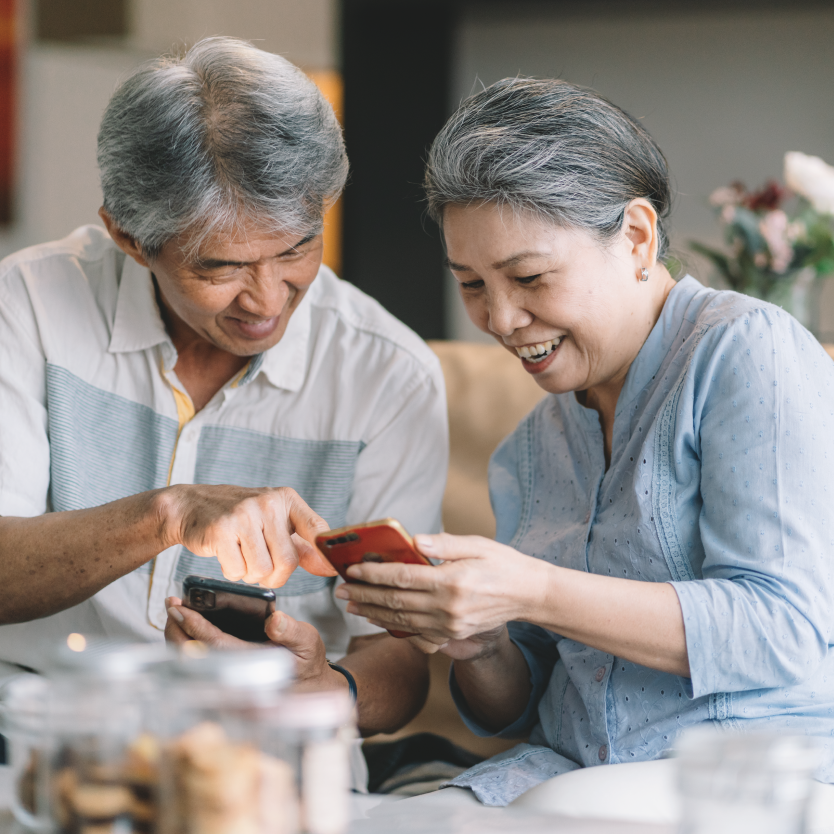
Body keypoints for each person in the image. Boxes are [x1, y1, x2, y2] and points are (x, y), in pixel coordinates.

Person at [335, 77, 834, 805]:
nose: (501, 318)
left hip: (740, 779)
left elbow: (782, 627)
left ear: (636, 237)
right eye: (472, 284)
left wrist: (532, 587)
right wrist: (480, 639)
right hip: (566, 776)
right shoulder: (533, 446)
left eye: (529, 277)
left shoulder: (746, 352)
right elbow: (515, 706)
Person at [0, 37, 447, 775]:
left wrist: (325, 689)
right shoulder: (27, 308)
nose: (267, 301)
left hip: (265, 757)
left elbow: (397, 655)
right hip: (46, 735)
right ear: (129, 236)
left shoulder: (388, 374)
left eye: (299, 249)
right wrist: (169, 514)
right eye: (222, 266)